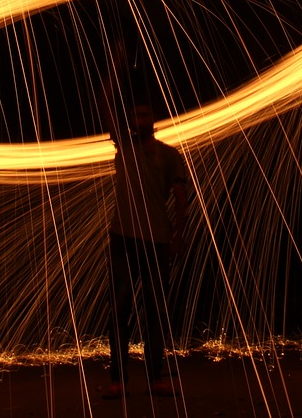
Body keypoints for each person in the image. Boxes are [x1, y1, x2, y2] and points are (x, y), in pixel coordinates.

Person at [104, 100, 189, 399]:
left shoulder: (168, 155)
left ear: (153, 120)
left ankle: (155, 379)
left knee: (155, 311)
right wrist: (114, 68)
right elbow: (105, 105)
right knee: (120, 310)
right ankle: (118, 380)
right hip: (123, 237)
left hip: (156, 239)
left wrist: (179, 233)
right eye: (134, 116)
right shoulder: (124, 147)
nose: (139, 120)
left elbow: (181, 196)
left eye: (144, 114)